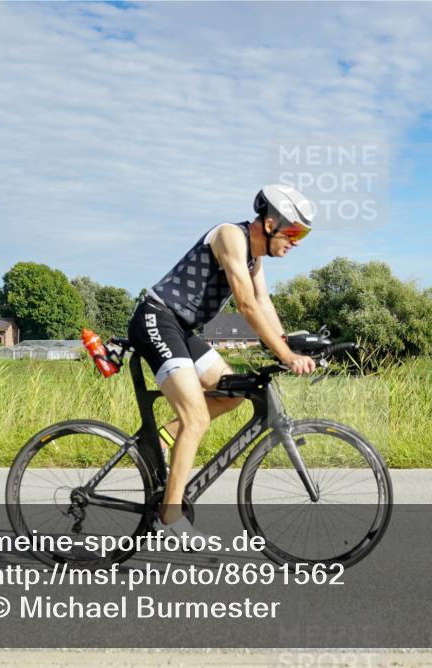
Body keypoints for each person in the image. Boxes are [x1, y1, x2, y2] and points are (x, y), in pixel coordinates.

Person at [127, 184, 318, 540]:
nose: (297, 242)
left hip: (181, 328)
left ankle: (163, 439)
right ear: (270, 223)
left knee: (233, 394)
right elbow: (246, 304)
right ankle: (169, 517)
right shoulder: (231, 236)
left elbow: (263, 302)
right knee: (196, 417)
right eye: (294, 232)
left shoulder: (255, 258)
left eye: (302, 235)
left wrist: (291, 345)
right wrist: (286, 355)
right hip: (156, 318)